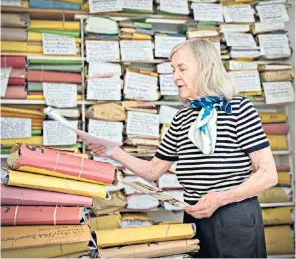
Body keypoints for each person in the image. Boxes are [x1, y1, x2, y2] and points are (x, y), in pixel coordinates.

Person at [88, 39, 278, 258]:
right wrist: (114, 151)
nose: (175, 76)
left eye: (182, 68)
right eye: (173, 69)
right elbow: (153, 171)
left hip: (234, 217)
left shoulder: (239, 108)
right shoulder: (181, 118)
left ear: (208, 67)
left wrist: (220, 198)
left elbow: (268, 174)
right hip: (195, 218)